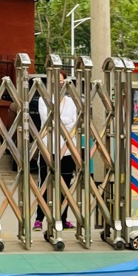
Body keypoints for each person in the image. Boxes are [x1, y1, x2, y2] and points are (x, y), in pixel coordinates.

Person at [30, 88, 77, 231]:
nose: (58, 84)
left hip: (67, 149)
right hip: (48, 148)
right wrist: (63, 122)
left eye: (62, 81)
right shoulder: (44, 100)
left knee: (65, 186)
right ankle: (39, 219)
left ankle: (63, 219)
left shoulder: (71, 102)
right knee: (44, 184)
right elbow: (47, 121)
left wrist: (58, 121)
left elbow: (74, 122)